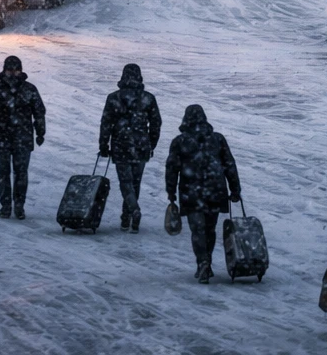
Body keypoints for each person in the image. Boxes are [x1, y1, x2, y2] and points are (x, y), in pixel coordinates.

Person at [165, 105, 240, 283]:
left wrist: (170, 191)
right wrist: (235, 188)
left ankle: (203, 262)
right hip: (215, 189)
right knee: (210, 228)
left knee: (197, 229)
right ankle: (207, 261)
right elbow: (229, 164)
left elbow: (172, 168)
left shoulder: (179, 142)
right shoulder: (217, 139)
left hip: (191, 191)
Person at [0, 55, 46, 220]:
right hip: (1, 138)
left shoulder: (30, 89)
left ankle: (19, 205)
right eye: (10, 70)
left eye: (16, 70)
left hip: (22, 138)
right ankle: (6, 205)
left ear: (21, 70)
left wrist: (41, 131)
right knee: (3, 173)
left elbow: (39, 112)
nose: (13, 74)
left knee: (21, 173)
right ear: (4, 70)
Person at [98, 63, 162, 233]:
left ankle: (132, 211)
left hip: (121, 145)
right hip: (141, 146)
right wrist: (151, 143)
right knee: (135, 182)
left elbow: (106, 123)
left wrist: (103, 145)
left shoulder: (113, 98)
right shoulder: (148, 98)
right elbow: (156, 123)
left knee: (126, 182)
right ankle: (128, 218)